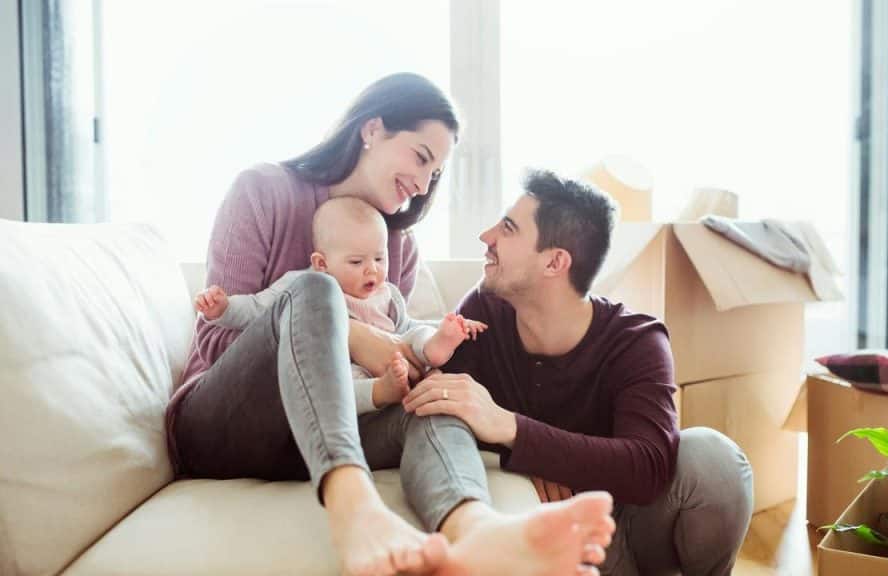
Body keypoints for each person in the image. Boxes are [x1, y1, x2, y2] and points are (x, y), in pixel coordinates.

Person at [165, 74, 616, 576]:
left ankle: (476, 532)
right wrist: (356, 336)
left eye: (436, 173)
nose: (424, 185)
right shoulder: (264, 191)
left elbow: (404, 353)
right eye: (421, 158)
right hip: (223, 425)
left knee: (434, 398)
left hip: (320, 434)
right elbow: (217, 338)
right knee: (314, 288)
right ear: (372, 130)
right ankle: (353, 507)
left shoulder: (396, 246)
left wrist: (419, 359)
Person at [402, 169, 756, 575]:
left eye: (508, 228)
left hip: (626, 535)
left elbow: (649, 464)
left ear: (555, 262)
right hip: (532, 535)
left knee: (714, 458)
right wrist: (534, 460)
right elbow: (441, 412)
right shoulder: (482, 313)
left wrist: (513, 429)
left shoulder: (637, 339)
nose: (487, 236)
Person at [193, 196, 487, 413]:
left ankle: (439, 345)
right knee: (337, 382)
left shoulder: (387, 294)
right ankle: (380, 392)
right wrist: (224, 309)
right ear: (322, 263)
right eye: (357, 262)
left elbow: (404, 328)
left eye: (379, 258)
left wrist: (437, 332)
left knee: (413, 334)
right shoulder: (303, 285)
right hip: (346, 367)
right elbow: (258, 310)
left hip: (395, 353)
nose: (371, 270)